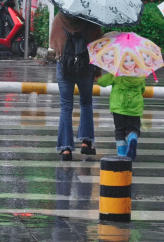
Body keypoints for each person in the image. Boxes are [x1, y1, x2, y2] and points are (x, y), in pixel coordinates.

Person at [50, 12, 102, 161]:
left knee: (66, 106)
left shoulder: (60, 18)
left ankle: (66, 149)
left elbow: (53, 45)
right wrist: (97, 71)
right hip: (86, 66)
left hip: (65, 66)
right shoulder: (92, 19)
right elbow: (97, 47)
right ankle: (86, 142)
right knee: (86, 103)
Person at [97, 71, 145, 160]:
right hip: (134, 108)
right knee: (134, 129)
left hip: (118, 108)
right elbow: (143, 89)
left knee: (120, 131)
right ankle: (132, 138)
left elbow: (102, 82)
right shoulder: (141, 75)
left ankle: (122, 155)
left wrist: (98, 78)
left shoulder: (116, 73)